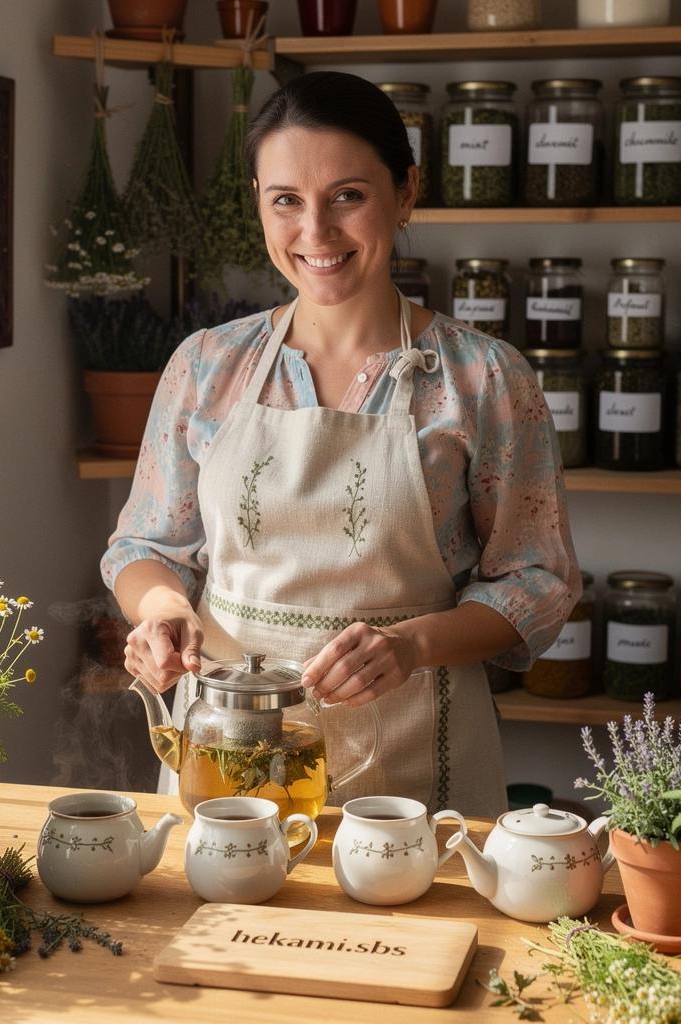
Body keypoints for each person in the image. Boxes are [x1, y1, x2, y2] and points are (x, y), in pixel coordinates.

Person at [102, 71, 579, 816]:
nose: (315, 232)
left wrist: (412, 646)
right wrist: (164, 610)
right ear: (257, 200)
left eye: (348, 196)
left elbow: (536, 583)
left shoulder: (481, 378)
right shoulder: (207, 365)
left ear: (407, 192)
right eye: (285, 200)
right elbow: (145, 546)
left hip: (417, 761)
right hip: (227, 744)